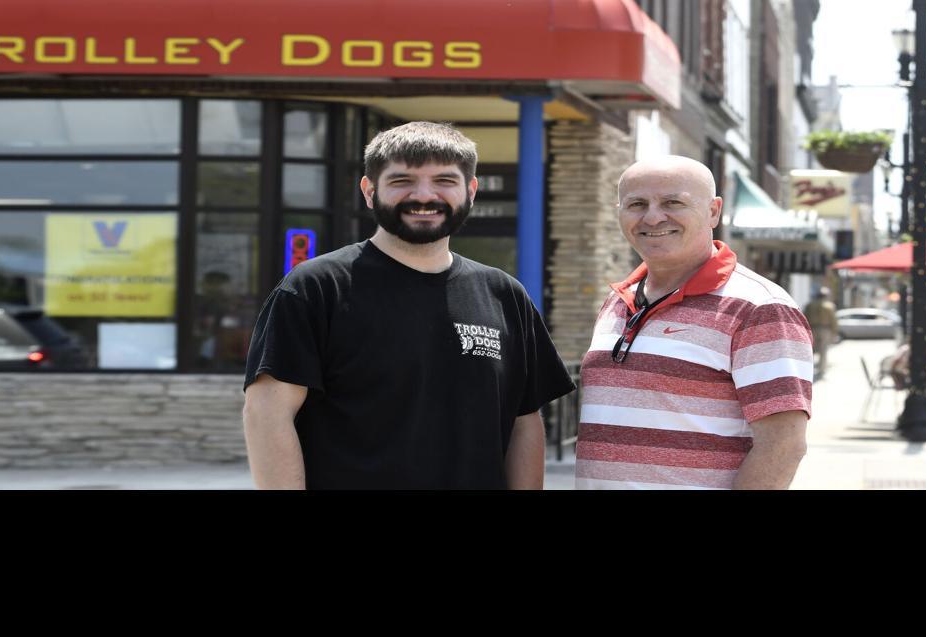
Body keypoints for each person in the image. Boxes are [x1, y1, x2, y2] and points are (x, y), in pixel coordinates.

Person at [242, 121, 574, 489]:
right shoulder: (316, 288)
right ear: (369, 191)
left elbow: (524, 421)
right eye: (402, 181)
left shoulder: (504, 294)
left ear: (470, 191)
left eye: (444, 181)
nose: (424, 196)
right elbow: (267, 413)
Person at [575, 155, 812, 489]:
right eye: (636, 204)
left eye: (673, 202)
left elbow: (783, 446)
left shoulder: (760, 307)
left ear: (714, 211)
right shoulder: (618, 300)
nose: (652, 217)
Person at [804, 286, 839, 380]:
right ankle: (821, 369)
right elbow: (833, 320)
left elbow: (804, 317)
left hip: (812, 329)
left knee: (810, 350)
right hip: (825, 330)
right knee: (823, 350)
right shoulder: (829, 306)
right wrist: (834, 332)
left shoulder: (810, 305)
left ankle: (807, 369)